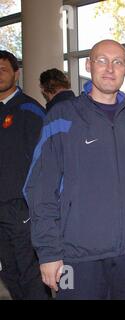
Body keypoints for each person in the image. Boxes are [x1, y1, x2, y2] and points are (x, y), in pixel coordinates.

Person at [23, 40, 125, 300]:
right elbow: (39, 189)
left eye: (118, 62)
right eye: (102, 60)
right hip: (77, 258)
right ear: (88, 65)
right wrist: (48, 253)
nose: (110, 68)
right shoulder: (62, 118)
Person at [0, 50, 50, 299]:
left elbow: (45, 162)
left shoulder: (30, 110)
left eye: (4, 69)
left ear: (16, 74)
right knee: (8, 271)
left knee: (29, 272)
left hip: (22, 209)